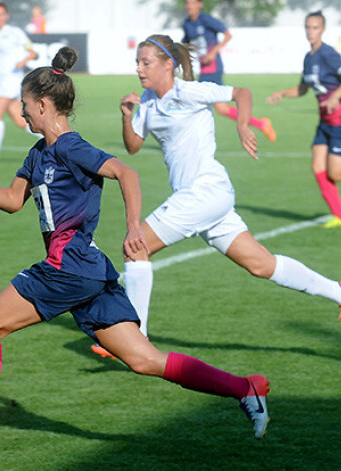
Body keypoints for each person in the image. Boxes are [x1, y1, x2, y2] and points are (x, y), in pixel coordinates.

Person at [0, 46, 271, 455]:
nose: (21, 114)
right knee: (145, 360)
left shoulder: (73, 148)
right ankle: (245, 388)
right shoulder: (38, 154)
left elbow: (126, 172)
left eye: (24, 106)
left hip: (67, 267)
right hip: (88, 271)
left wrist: (132, 229)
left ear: (43, 104)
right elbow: (12, 199)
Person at [90, 34, 341, 362]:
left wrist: (241, 126)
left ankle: (136, 336)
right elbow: (134, 146)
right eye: (137, 62)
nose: (139, 68)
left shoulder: (189, 91)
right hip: (203, 198)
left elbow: (242, 93)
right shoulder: (148, 101)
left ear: (169, 65)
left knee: (136, 246)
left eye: (145, 62)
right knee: (262, 264)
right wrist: (127, 115)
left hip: (205, 191)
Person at [266, 10, 341, 229]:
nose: (310, 32)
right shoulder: (309, 57)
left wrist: (336, 95)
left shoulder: (329, 54)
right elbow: (303, 88)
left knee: (335, 172)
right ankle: (339, 215)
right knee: (318, 167)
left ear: (323, 29)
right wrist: (281, 93)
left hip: (339, 121)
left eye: (315, 27)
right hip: (324, 122)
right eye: (308, 27)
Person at [182, 0, 276, 142]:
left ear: (200, 4)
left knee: (194, 102)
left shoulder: (206, 20)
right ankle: (261, 124)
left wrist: (213, 52)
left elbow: (228, 35)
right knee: (220, 108)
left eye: (192, 3)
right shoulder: (187, 24)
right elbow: (186, 44)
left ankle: (191, 140)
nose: (189, 6)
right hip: (203, 69)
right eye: (187, 3)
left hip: (213, 68)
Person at [0, 2, 39, 168]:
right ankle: (56, 141)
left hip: (12, 79)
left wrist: (22, 61)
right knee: (20, 121)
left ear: (6, 16)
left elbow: (33, 52)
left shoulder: (15, 33)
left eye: (1, 14)